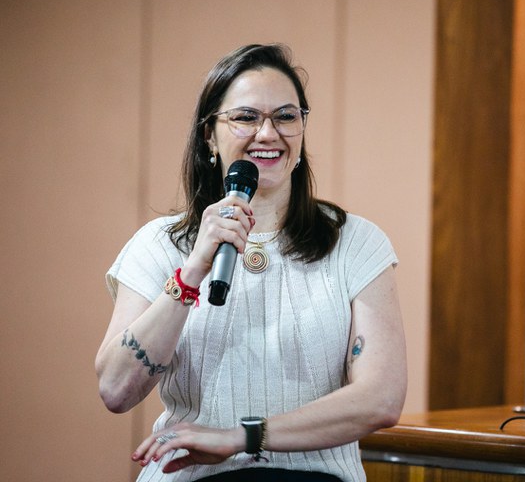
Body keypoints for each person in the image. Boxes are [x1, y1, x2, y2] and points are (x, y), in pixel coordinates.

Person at [95, 44, 407, 482]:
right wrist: (193, 271)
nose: (268, 133)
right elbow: (116, 390)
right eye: (245, 117)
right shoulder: (160, 245)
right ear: (209, 135)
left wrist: (242, 436)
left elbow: (381, 399)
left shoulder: (354, 242)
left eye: (286, 116)